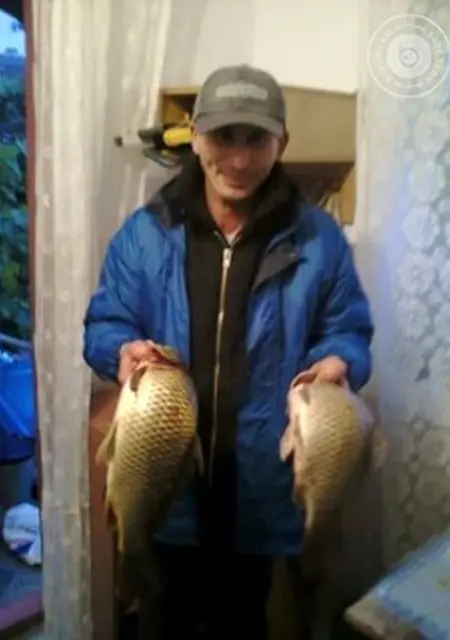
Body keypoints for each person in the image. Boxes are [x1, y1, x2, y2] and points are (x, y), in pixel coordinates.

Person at [83, 64, 373, 639]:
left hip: (260, 492)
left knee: (243, 623)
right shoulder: (144, 233)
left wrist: (341, 361)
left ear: (281, 142)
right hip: (166, 489)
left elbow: (347, 330)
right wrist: (120, 349)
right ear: (195, 138)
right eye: (223, 137)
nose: (238, 160)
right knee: (161, 621)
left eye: (256, 138)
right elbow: (106, 322)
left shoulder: (319, 239)